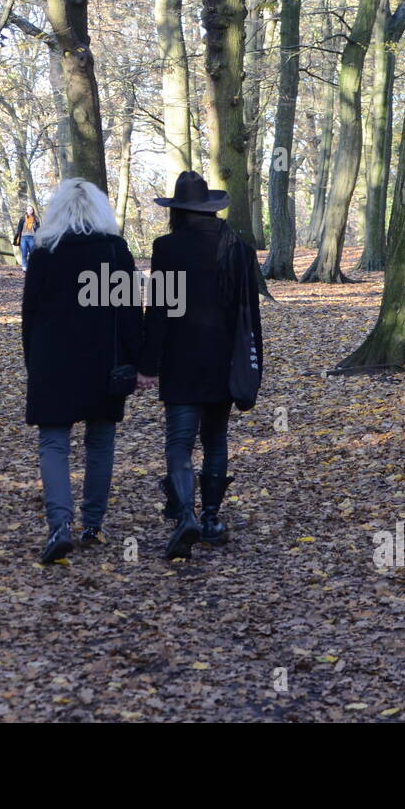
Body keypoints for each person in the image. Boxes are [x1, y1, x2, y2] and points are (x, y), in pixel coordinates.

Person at [139, 171, 263, 559]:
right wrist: (253, 362)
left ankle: (186, 517)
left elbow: (159, 308)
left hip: (181, 360)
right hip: (224, 360)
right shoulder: (238, 248)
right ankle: (210, 520)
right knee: (215, 439)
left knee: (178, 442)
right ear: (210, 209)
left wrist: (147, 364)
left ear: (178, 210)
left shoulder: (168, 248)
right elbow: (250, 314)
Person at [22, 180, 142, 563]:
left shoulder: (44, 254)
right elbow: (128, 314)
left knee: (53, 445)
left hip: (53, 362)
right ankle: (93, 524)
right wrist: (136, 360)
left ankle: (59, 525)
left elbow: (30, 315)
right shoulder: (115, 251)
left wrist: (33, 362)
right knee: (100, 443)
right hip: (103, 364)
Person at [13, 205, 38, 270]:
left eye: (31, 210)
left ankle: (32, 266)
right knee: (24, 253)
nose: (30, 211)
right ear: (26, 210)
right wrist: (17, 237)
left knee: (32, 253)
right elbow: (19, 228)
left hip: (32, 237)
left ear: (33, 211)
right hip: (23, 238)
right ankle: (24, 267)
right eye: (28, 209)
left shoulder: (35, 219)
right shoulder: (22, 218)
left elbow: (38, 229)